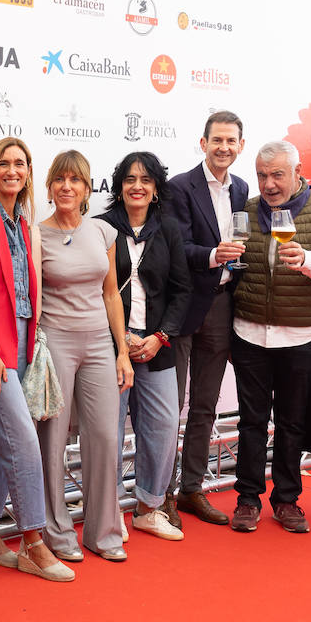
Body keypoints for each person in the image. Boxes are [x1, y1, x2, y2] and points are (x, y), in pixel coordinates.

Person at [0, 137, 73, 582]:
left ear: (28, 172)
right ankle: (33, 541)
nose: (12, 170)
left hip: (23, 336)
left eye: (20, 163)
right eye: (4, 163)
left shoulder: (22, 221)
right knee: (23, 439)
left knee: (1, 436)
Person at [230, 141, 311, 533]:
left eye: (277, 174)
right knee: (251, 422)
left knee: (293, 423)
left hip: (302, 335)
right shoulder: (245, 211)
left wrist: (307, 261)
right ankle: (247, 499)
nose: (269, 184)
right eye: (262, 175)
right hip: (249, 333)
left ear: (298, 171)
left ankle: (286, 499)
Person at [36, 150, 134, 562]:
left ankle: (103, 531)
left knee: (105, 437)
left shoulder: (103, 232)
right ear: (49, 186)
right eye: (60, 179)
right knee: (52, 441)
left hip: (98, 342)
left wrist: (122, 352)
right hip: (55, 340)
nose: (67, 187)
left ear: (87, 188)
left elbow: (112, 294)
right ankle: (56, 531)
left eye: (75, 180)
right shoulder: (35, 234)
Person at [100, 152, 191, 544]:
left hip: (158, 344)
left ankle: (148, 508)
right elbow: (93, 291)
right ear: (119, 186)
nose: (138, 185)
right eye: (130, 179)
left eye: (146, 180)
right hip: (108, 346)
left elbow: (182, 291)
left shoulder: (168, 229)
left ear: (156, 189)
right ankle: (108, 511)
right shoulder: (101, 229)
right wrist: (122, 341)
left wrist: (160, 337)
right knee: (107, 431)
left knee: (162, 428)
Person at [167, 111, 249, 527]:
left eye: (231, 141)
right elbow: (176, 247)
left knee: (204, 406)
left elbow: (244, 244)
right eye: (217, 140)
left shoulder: (243, 189)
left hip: (221, 305)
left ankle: (191, 490)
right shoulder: (180, 186)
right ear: (203, 143)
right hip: (183, 308)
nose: (223, 148)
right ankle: (160, 495)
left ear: (240, 146)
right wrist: (215, 254)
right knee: (169, 407)